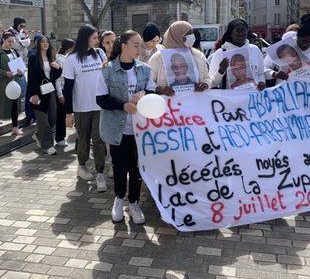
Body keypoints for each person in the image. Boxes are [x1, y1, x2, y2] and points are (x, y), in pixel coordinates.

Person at [96, 31, 158, 224]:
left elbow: (152, 91)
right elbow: (101, 99)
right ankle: (119, 199)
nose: (140, 49)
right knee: (120, 166)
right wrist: (123, 105)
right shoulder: (107, 70)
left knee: (137, 167)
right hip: (117, 128)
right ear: (123, 46)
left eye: (140, 45)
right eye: (136, 45)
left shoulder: (145, 70)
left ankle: (134, 202)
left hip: (140, 129)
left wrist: (143, 93)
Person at [63, 24, 108, 192]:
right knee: (84, 138)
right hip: (81, 106)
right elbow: (67, 87)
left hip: (99, 105)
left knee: (99, 139)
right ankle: (81, 165)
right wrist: (68, 112)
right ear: (85, 39)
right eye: (95, 38)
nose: (97, 41)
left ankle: (100, 172)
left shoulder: (100, 54)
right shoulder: (71, 58)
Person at [273, 14, 310, 106]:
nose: (307, 44)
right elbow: (264, 69)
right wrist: (274, 74)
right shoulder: (283, 48)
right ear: (298, 37)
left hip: (306, 99)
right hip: (283, 97)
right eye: (304, 41)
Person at [147, 20, 211, 94]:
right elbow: (148, 81)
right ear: (177, 35)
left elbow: (207, 78)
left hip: (194, 102)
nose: (191, 37)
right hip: (169, 103)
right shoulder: (158, 58)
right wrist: (159, 89)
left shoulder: (198, 55)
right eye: (188, 34)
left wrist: (205, 85)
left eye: (191, 34)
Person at [28, 36, 62, 155]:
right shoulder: (33, 58)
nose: (45, 44)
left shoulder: (51, 57)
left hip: (49, 91)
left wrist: (58, 69)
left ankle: (38, 135)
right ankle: (48, 145)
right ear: (38, 44)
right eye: (42, 42)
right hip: (38, 92)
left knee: (52, 118)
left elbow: (54, 76)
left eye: (47, 42)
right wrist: (34, 94)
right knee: (43, 120)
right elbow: (31, 77)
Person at [209, 19, 265, 90]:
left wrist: (261, 82)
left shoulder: (255, 50)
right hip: (230, 100)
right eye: (238, 30)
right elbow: (212, 82)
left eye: (243, 30)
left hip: (252, 98)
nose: (241, 34)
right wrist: (221, 71)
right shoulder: (220, 53)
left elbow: (261, 73)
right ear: (230, 33)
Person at [0, 33, 25, 136]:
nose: (11, 44)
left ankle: (15, 127)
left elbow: (20, 65)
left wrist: (20, 72)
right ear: (3, 40)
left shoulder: (14, 52)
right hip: (2, 83)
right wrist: (5, 73)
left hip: (14, 82)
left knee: (15, 105)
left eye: (13, 41)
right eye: (9, 41)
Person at [7, 17, 33, 125]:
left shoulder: (23, 32)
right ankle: (18, 97)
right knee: (17, 78)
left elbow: (28, 42)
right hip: (14, 58)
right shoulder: (9, 32)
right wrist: (21, 43)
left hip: (23, 58)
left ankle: (21, 96)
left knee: (22, 77)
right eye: (21, 25)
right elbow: (14, 44)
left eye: (24, 26)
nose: (22, 28)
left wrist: (21, 43)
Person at [55, 38, 75, 147]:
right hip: (62, 90)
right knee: (61, 115)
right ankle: (60, 138)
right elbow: (59, 79)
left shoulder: (68, 59)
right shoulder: (61, 60)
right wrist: (60, 94)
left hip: (68, 90)